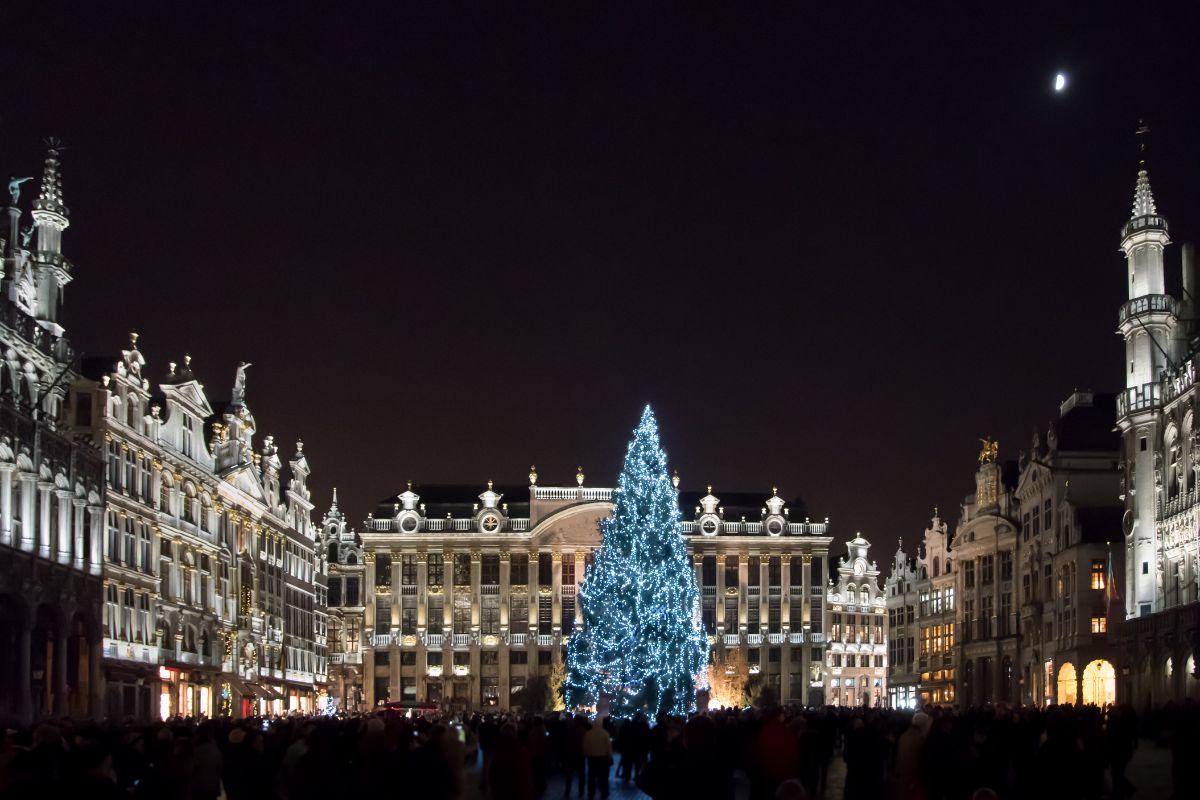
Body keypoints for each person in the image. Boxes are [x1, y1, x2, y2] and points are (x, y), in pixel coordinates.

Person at [582, 716, 613, 800]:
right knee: (603, 778)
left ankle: (591, 793)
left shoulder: (588, 734)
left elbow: (585, 746)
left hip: (592, 758)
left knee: (591, 777)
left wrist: (586, 755)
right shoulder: (605, 733)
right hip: (603, 758)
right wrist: (610, 756)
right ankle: (604, 793)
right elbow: (608, 747)